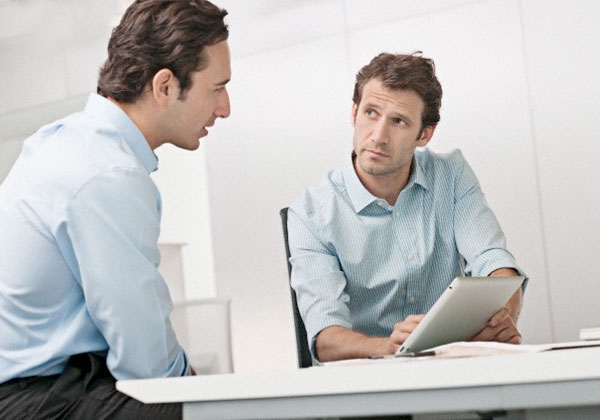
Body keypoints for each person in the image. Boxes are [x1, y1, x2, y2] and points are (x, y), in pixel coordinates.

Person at [0, 0, 230, 418]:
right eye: (217, 87)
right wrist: (198, 388)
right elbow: (146, 364)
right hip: (35, 399)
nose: (225, 108)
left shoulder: (70, 142)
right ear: (165, 86)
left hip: (41, 388)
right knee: (214, 410)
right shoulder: (108, 174)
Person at [287, 52, 527, 363]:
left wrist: (501, 317)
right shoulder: (310, 214)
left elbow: (494, 262)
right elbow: (325, 340)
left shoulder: (451, 174)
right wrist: (388, 346)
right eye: (371, 113)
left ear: (424, 134)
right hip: (369, 380)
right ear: (354, 112)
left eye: (398, 121)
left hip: (450, 367)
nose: (378, 137)